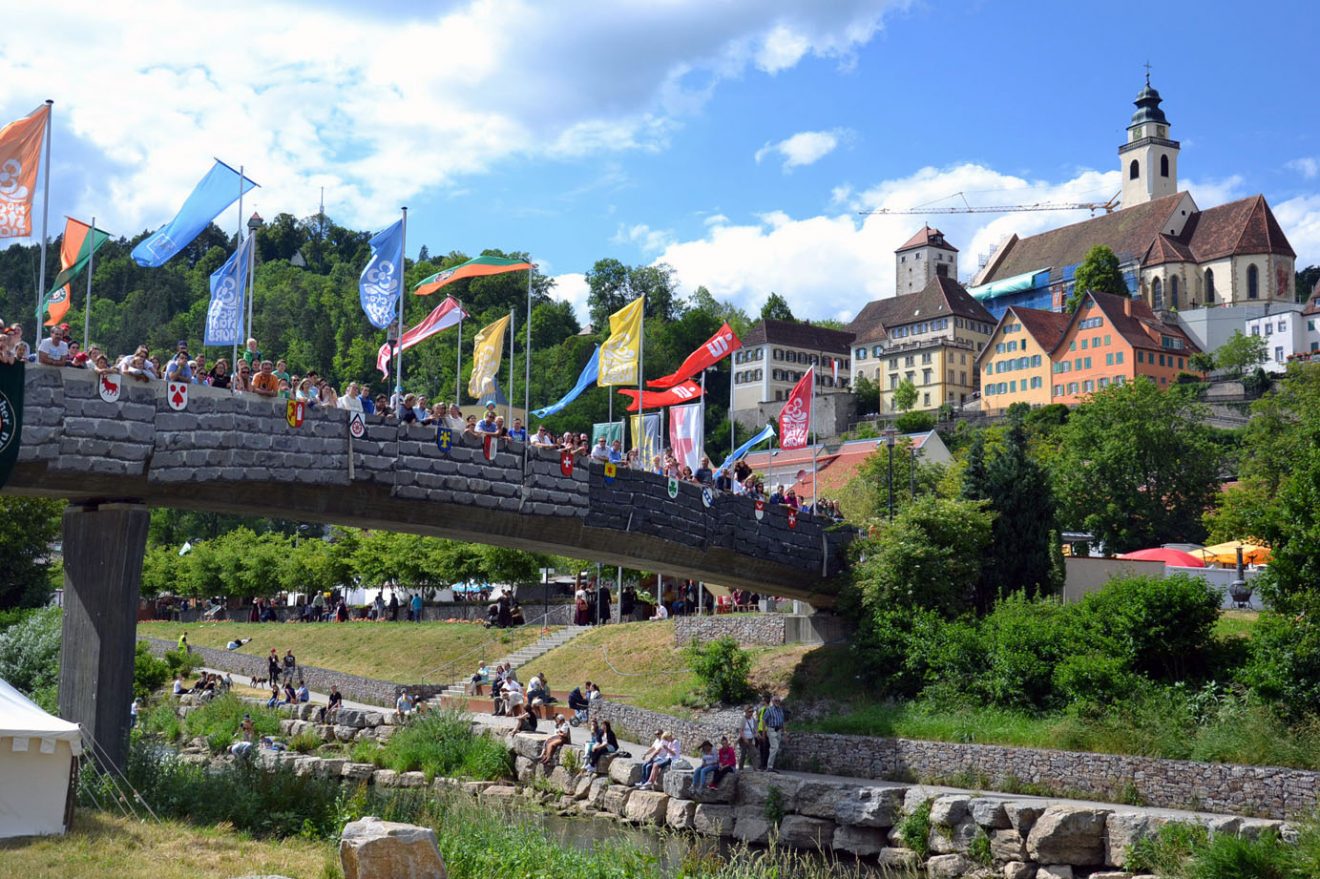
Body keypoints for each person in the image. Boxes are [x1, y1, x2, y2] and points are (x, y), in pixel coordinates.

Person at [763, 695, 787, 772]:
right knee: (774, 747)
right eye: (776, 700)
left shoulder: (780, 710)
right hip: (771, 730)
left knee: (775, 748)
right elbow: (764, 720)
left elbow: (782, 722)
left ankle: (771, 766)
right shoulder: (769, 710)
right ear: (773, 702)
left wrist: (785, 732)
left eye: (778, 701)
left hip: (778, 731)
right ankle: (769, 767)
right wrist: (764, 733)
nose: (777, 702)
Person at [738, 705, 758, 770]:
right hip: (743, 740)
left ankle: (755, 768)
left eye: (752, 711)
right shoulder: (743, 720)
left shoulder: (753, 720)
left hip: (750, 739)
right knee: (743, 754)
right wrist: (744, 738)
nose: (751, 713)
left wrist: (757, 734)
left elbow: (755, 729)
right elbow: (740, 730)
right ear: (746, 712)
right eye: (750, 711)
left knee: (754, 752)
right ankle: (741, 768)